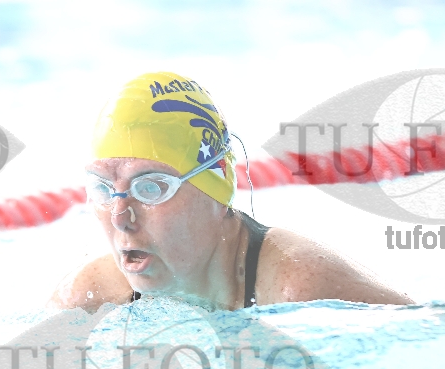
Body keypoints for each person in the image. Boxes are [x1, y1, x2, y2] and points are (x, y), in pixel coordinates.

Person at [48, 72, 413, 312]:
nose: (120, 217)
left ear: (217, 186)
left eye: (151, 187)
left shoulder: (302, 289)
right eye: (103, 187)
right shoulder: (90, 298)